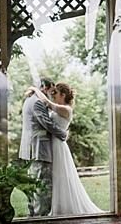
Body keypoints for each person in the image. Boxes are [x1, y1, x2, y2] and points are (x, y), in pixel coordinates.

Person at [31, 82, 103, 216]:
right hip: (53, 143)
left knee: (60, 175)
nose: (53, 96)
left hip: (58, 145)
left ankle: (62, 207)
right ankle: (54, 206)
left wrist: (35, 89)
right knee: (55, 176)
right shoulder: (60, 108)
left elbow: (46, 102)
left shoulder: (66, 109)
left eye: (55, 93)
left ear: (63, 95)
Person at [19, 78, 67, 216]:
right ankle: (41, 217)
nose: (51, 95)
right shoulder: (37, 102)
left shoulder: (29, 100)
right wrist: (63, 134)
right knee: (42, 186)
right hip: (39, 149)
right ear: (44, 87)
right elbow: (47, 123)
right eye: (51, 91)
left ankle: (33, 216)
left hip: (29, 149)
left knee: (33, 185)